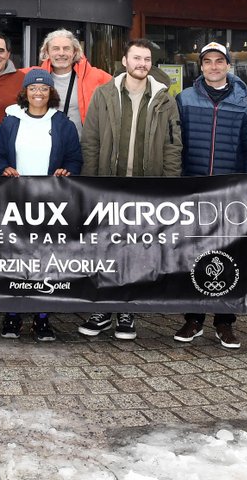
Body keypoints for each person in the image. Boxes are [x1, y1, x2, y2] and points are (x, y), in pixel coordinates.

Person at [79, 39, 182, 340]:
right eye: (136, 58)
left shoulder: (165, 99)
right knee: (107, 250)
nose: (142, 63)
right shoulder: (104, 94)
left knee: (137, 251)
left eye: (147, 59)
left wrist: (169, 187)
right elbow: (91, 141)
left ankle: (127, 311)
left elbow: (173, 146)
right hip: (108, 186)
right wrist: (90, 183)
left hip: (146, 188)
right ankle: (104, 309)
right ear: (124, 61)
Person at [173, 42, 247, 349]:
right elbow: (176, 144)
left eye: (219, 61)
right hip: (193, 189)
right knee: (193, 255)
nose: (213, 66)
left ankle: (225, 322)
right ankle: (193, 318)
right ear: (201, 66)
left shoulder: (245, 102)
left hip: (228, 192)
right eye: (207, 61)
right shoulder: (184, 99)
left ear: (228, 65)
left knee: (226, 256)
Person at [0, 69, 82, 341]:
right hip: (16, 202)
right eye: (33, 88)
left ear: (51, 93)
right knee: (15, 258)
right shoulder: (10, 122)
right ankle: (13, 314)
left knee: (46, 260)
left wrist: (67, 171)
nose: (38, 93)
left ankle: (42, 317)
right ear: (25, 92)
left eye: (44, 89)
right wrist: (3, 168)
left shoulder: (63, 124)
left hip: (50, 203)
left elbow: (75, 159)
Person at [36, 28, 112, 137]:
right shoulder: (35, 78)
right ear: (47, 52)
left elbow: (123, 86)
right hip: (45, 146)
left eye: (66, 48)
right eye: (56, 49)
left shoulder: (96, 76)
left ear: (75, 52)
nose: (61, 53)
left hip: (81, 147)